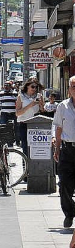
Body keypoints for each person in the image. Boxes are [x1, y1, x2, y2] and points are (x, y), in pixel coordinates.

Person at [54, 76, 75, 229]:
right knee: (64, 186)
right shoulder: (63, 106)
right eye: (73, 86)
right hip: (67, 151)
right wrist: (56, 148)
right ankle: (69, 213)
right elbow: (58, 128)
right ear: (69, 89)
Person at [15, 78, 45, 157]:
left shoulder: (39, 96)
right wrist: (30, 105)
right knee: (25, 146)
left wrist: (41, 104)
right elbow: (17, 113)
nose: (34, 89)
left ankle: (34, 166)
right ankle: (26, 166)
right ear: (27, 86)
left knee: (35, 147)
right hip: (24, 123)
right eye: (32, 87)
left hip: (35, 124)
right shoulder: (21, 96)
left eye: (36, 87)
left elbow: (42, 111)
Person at [0, 81, 18, 146]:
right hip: (4, 113)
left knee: (15, 128)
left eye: (8, 85)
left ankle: (16, 141)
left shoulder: (15, 93)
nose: (6, 86)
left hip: (13, 113)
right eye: (5, 85)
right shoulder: (1, 93)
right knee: (3, 127)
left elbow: (17, 103)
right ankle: (3, 142)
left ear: (11, 86)